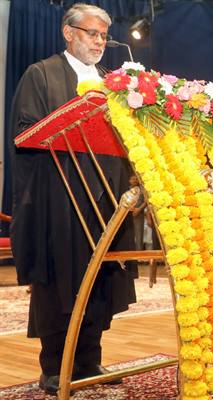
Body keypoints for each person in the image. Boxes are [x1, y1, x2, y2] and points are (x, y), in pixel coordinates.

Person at [9, 4, 137, 394]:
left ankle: (88, 360)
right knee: (59, 280)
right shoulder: (41, 74)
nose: (99, 42)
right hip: (59, 199)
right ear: (69, 33)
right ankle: (54, 366)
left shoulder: (111, 83)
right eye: (91, 33)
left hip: (105, 197)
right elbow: (25, 133)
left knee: (99, 278)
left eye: (103, 36)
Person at [130, 175, 147, 251]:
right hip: (127, 214)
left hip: (139, 214)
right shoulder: (126, 189)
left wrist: (138, 209)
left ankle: (139, 257)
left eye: (137, 179)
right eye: (133, 179)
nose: (135, 180)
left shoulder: (142, 189)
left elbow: (146, 201)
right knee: (129, 236)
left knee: (139, 235)